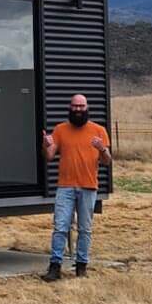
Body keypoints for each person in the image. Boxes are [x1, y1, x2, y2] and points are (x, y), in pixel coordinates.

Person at [40, 93, 110, 281]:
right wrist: (46, 145)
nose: (78, 109)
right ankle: (55, 267)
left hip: (88, 187)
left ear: (87, 108)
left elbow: (107, 161)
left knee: (85, 229)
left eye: (81, 106)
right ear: (70, 108)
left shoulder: (99, 130)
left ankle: (81, 267)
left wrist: (102, 149)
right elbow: (49, 156)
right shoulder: (61, 129)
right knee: (61, 226)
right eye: (75, 106)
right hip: (65, 187)